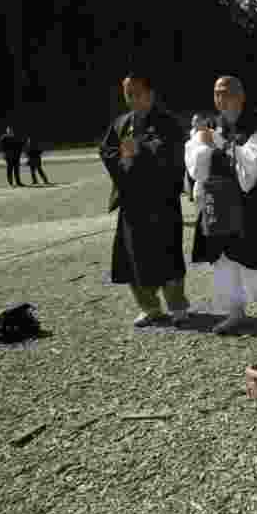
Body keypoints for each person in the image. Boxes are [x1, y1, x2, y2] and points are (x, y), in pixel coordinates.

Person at [186, 76, 257, 336]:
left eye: (228, 93)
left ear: (241, 96)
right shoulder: (210, 125)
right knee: (223, 262)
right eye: (217, 93)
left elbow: (251, 171)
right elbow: (195, 167)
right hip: (219, 205)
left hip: (251, 206)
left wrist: (219, 143)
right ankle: (235, 312)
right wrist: (202, 146)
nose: (222, 98)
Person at [99, 74, 191, 328]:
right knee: (132, 257)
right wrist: (124, 159)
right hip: (131, 203)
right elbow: (106, 151)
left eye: (137, 92)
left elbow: (173, 155)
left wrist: (138, 153)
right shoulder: (120, 123)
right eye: (128, 93)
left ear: (151, 93)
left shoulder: (168, 122)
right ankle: (149, 307)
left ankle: (177, 306)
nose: (132, 98)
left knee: (167, 254)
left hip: (161, 201)